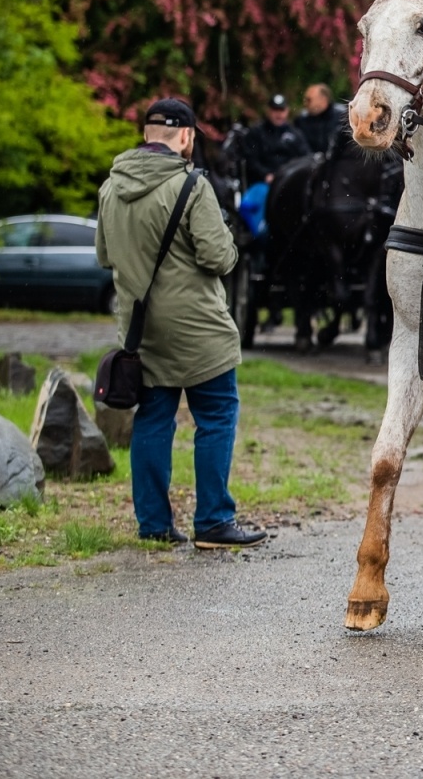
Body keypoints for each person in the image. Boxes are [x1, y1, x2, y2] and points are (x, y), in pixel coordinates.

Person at [95, 98, 267, 549]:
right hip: (198, 330)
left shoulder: (111, 188)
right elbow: (219, 257)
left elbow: (104, 255)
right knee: (216, 416)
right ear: (187, 137)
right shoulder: (191, 186)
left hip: (140, 329)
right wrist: (227, 235)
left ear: (146, 132)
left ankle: (153, 525)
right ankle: (212, 522)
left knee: (153, 420)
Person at [243, 93, 310, 183]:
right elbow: (251, 159)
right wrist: (265, 175)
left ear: (287, 111)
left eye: (281, 110)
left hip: (290, 181)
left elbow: (305, 157)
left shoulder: (295, 134)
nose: (278, 114)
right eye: (275, 110)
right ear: (269, 111)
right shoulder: (256, 133)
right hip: (262, 182)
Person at [297, 83, 350, 155]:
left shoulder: (342, 116)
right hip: (310, 162)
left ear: (323, 99)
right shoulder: (302, 120)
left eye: (309, 100)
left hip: (337, 161)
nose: (305, 103)